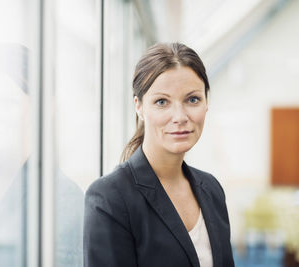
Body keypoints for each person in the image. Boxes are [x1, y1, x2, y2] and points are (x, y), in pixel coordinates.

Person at [83, 43, 234, 267]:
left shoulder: (211, 189)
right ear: (139, 107)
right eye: (162, 102)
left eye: (192, 99)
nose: (180, 116)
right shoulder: (110, 198)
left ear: (206, 102)